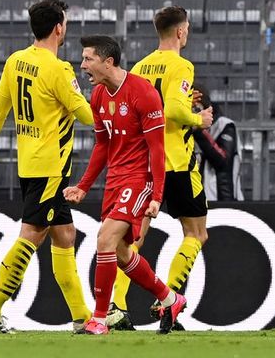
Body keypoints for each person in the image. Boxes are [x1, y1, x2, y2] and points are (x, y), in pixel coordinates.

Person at [0, 0, 93, 334]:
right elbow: (86, 116)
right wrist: (108, 97)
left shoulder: (16, 61)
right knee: (32, 234)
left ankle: (82, 318)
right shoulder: (58, 69)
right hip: (51, 167)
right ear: (59, 28)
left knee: (65, 235)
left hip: (28, 164)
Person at [64, 35, 187, 335]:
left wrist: (157, 195)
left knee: (104, 239)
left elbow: (158, 150)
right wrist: (83, 185)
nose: (82, 66)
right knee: (119, 253)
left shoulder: (142, 93)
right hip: (115, 181)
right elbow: (102, 146)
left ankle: (100, 319)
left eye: (88, 59)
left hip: (139, 179)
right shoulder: (98, 96)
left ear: (108, 62)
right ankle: (170, 299)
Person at [108, 6, 213, 329]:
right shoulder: (182, 65)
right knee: (196, 233)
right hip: (178, 163)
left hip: (144, 164)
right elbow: (173, 109)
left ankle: (117, 306)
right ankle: (168, 299)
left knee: (133, 240)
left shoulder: (139, 67)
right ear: (181, 32)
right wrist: (199, 119)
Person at [192, 88, 244, 201]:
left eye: (195, 109)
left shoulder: (224, 125)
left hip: (221, 199)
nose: (193, 114)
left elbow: (223, 160)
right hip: (194, 199)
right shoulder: (182, 128)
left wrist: (198, 130)